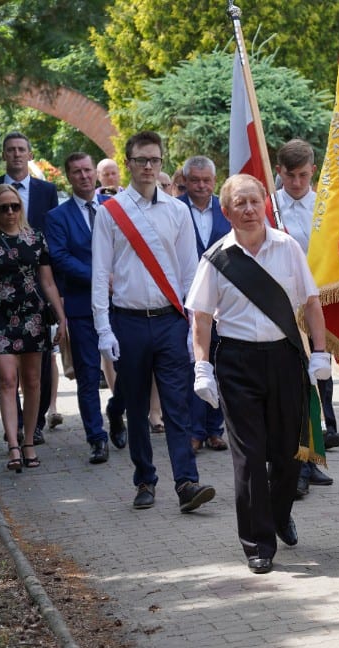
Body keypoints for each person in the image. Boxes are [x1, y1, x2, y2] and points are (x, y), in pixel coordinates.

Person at [186, 174, 331, 574]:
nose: (249, 210)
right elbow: (200, 318)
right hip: (237, 362)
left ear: (265, 202)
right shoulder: (216, 258)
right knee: (248, 457)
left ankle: (279, 512)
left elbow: (313, 303)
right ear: (226, 211)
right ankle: (257, 543)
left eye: (254, 201)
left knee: (287, 454)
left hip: (284, 358)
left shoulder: (287, 247)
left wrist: (319, 353)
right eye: (240, 204)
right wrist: (202, 366)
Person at [91, 130, 214, 513]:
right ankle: (145, 478)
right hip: (127, 320)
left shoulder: (177, 210)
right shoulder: (111, 212)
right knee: (140, 407)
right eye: (141, 160)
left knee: (176, 404)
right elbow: (99, 273)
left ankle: (186, 482)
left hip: (169, 321)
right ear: (128, 163)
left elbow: (190, 273)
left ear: (162, 163)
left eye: (155, 160)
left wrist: (195, 323)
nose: (148, 166)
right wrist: (103, 329)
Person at [0, 132, 61, 446]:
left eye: (22, 149)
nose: (17, 154)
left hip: (35, 298)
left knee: (38, 375)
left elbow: (50, 245)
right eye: (11, 150)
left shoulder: (47, 191)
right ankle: (16, 431)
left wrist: (57, 305)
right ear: (4, 154)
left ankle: (34, 426)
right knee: (7, 378)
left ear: (30, 153)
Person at [273, 138, 339, 496]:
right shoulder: (271, 209)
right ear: (279, 172)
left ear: (313, 171)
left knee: (319, 385)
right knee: (292, 389)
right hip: (282, 309)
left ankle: (313, 457)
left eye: (303, 175)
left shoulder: (324, 208)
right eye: (290, 176)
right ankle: (295, 466)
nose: (297, 183)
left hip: (316, 307)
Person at [45, 152, 113, 464]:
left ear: (95, 174)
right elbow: (59, 257)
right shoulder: (57, 217)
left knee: (128, 369)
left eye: (87, 170)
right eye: (77, 172)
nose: (84, 176)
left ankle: (118, 409)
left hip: (120, 303)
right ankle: (96, 438)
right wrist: (100, 277)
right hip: (82, 304)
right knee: (87, 373)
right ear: (68, 177)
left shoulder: (115, 209)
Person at [177, 155, 230, 454]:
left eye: (206, 180)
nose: (200, 186)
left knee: (220, 363)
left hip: (223, 299)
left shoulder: (225, 210)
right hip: (187, 299)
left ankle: (215, 429)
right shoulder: (174, 209)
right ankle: (194, 431)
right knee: (196, 364)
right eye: (194, 180)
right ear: (185, 181)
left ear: (214, 180)